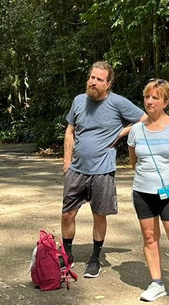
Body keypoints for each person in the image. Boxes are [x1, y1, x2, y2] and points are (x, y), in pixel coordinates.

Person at [62, 61, 146, 278]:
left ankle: (94, 259)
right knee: (67, 214)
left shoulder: (118, 103)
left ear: (108, 84)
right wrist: (66, 161)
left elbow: (145, 119)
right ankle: (67, 255)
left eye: (99, 79)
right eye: (92, 77)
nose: (93, 82)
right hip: (76, 169)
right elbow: (70, 131)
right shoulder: (79, 101)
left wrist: (121, 133)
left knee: (99, 216)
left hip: (102, 171)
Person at [128, 78, 169, 305]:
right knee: (149, 238)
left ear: (166, 101)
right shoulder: (136, 130)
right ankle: (157, 283)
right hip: (142, 191)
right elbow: (134, 161)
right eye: (147, 97)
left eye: (155, 97)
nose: (149, 101)